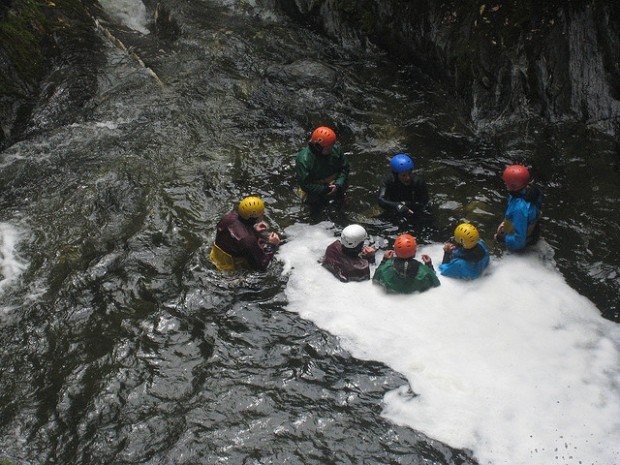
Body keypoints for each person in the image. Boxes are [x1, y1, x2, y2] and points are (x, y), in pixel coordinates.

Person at [210, 196, 281, 271]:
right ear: (256, 217)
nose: (263, 213)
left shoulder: (229, 217)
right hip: (228, 268)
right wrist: (272, 245)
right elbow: (260, 266)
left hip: (214, 255)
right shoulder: (248, 240)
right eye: (261, 212)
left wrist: (254, 231)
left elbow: (237, 231)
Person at [295, 126, 350, 208]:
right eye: (328, 148)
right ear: (318, 147)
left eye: (332, 146)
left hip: (335, 183)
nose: (331, 150)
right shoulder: (303, 160)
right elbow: (305, 185)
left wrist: (338, 184)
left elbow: (345, 168)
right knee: (314, 208)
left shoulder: (336, 149)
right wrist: (325, 189)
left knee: (343, 205)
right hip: (315, 188)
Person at [494, 164, 543, 251]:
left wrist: (503, 239)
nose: (505, 184)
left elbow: (519, 240)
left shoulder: (519, 208)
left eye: (507, 182)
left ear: (513, 186)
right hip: (531, 228)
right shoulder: (530, 191)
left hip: (524, 239)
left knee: (499, 237)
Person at [372, 233, 440, 293]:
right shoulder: (424, 270)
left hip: (392, 298)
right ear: (414, 251)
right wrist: (429, 265)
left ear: (395, 251)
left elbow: (375, 280)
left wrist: (384, 260)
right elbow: (436, 283)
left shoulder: (386, 267)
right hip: (415, 300)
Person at [378, 153, 429, 218]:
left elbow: (424, 203)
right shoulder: (388, 181)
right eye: (404, 175)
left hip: (413, 208)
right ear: (396, 175)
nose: (408, 178)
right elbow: (381, 200)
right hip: (395, 206)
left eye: (409, 173)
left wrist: (406, 204)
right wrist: (398, 205)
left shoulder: (418, 182)